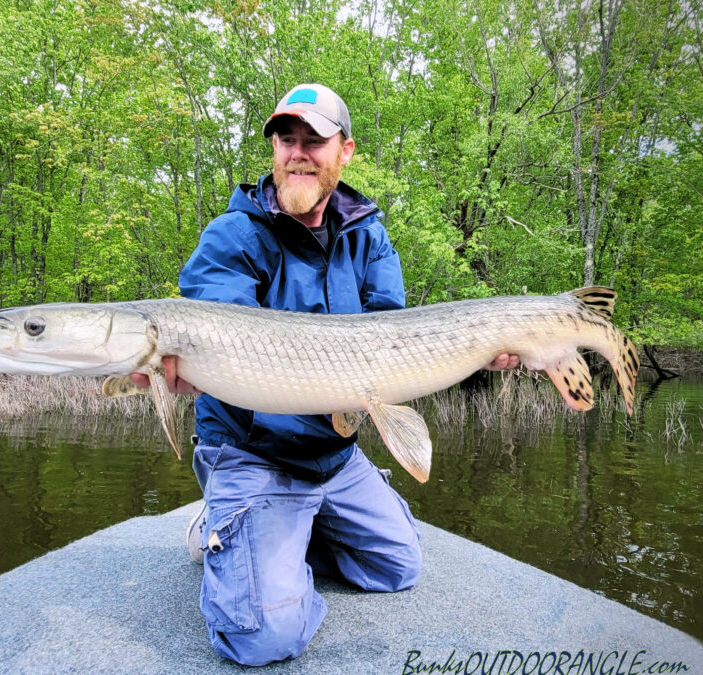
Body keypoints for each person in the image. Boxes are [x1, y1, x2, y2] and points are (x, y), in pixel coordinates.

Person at [133, 83, 518, 666]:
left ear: (346, 151)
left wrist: (478, 349)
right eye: (286, 140)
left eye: (315, 140)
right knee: (262, 638)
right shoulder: (232, 235)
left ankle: (279, 537)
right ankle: (233, 528)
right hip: (253, 451)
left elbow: (392, 342)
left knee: (398, 566)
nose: (297, 153)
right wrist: (175, 369)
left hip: (333, 454)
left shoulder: (368, 235)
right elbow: (216, 331)